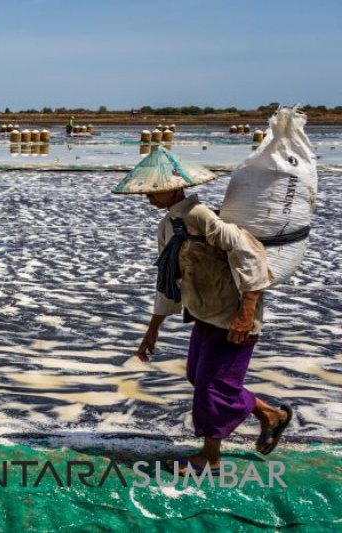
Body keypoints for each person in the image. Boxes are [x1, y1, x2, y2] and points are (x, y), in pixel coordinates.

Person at [112, 151, 292, 474]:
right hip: (205, 316)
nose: (149, 196)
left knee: (212, 388)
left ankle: (210, 458)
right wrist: (152, 330)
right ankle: (271, 415)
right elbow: (168, 281)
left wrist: (247, 311)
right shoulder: (167, 226)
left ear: (176, 187)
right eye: (147, 190)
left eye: (155, 189)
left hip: (234, 317)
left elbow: (249, 252)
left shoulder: (201, 216)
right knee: (198, 376)